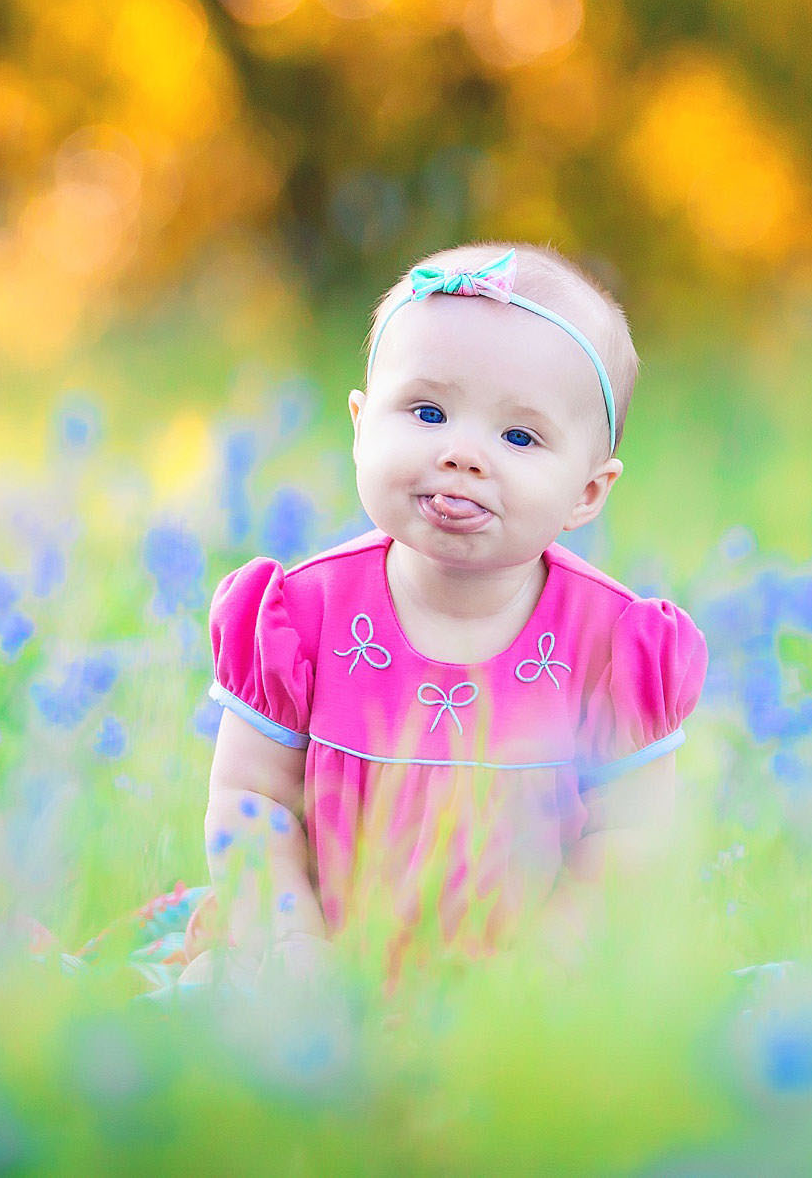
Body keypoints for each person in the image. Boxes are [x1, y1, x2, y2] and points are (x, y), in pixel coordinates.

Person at [178, 242, 707, 987]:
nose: (462, 453)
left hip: (529, 992)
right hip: (316, 962)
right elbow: (251, 800)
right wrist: (290, 948)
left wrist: (540, 978)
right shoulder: (300, 616)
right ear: (362, 427)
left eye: (518, 436)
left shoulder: (612, 647)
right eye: (427, 411)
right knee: (211, 1002)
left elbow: (632, 842)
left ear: (588, 491)